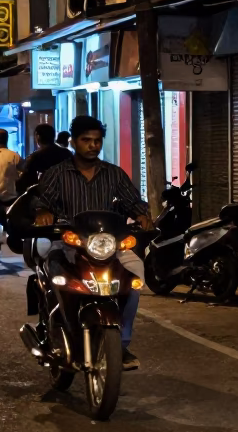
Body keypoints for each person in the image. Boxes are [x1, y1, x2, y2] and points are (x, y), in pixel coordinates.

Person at [35, 116, 153, 369]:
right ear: (74, 142)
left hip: (108, 246)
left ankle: (121, 342)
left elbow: (133, 201)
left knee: (135, 275)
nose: (92, 146)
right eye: (86, 140)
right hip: (69, 244)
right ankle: (56, 329)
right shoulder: (57, 174)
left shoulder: (114, 174)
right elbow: (42, 201)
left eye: (97, 141)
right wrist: (42, 212)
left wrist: (142, 215)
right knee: (52, 272)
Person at [16, 123, 72, 193]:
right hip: (66, 192)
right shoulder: (67, 153)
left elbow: (26, 180)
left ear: (38, 136)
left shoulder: (36, 156)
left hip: (44, 195)